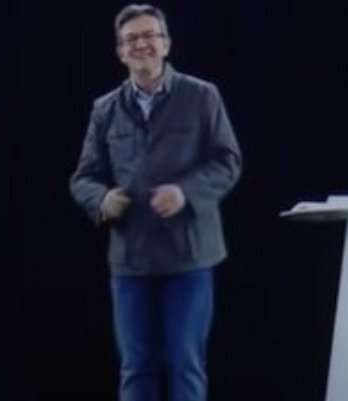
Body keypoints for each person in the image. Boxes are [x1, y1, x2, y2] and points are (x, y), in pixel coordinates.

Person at [68, 4, 242, 401]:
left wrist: (185, 192)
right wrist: (101, 199)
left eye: (149, 36)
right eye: (130, 39)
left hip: (189, 257)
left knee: (185, 364)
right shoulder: (105, 109)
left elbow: (227, 161)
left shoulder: (201, 96)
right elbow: (84, 177)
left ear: (166, 44)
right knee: (136, 369)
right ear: (120, 51)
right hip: (131, 259)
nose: (140, 45)